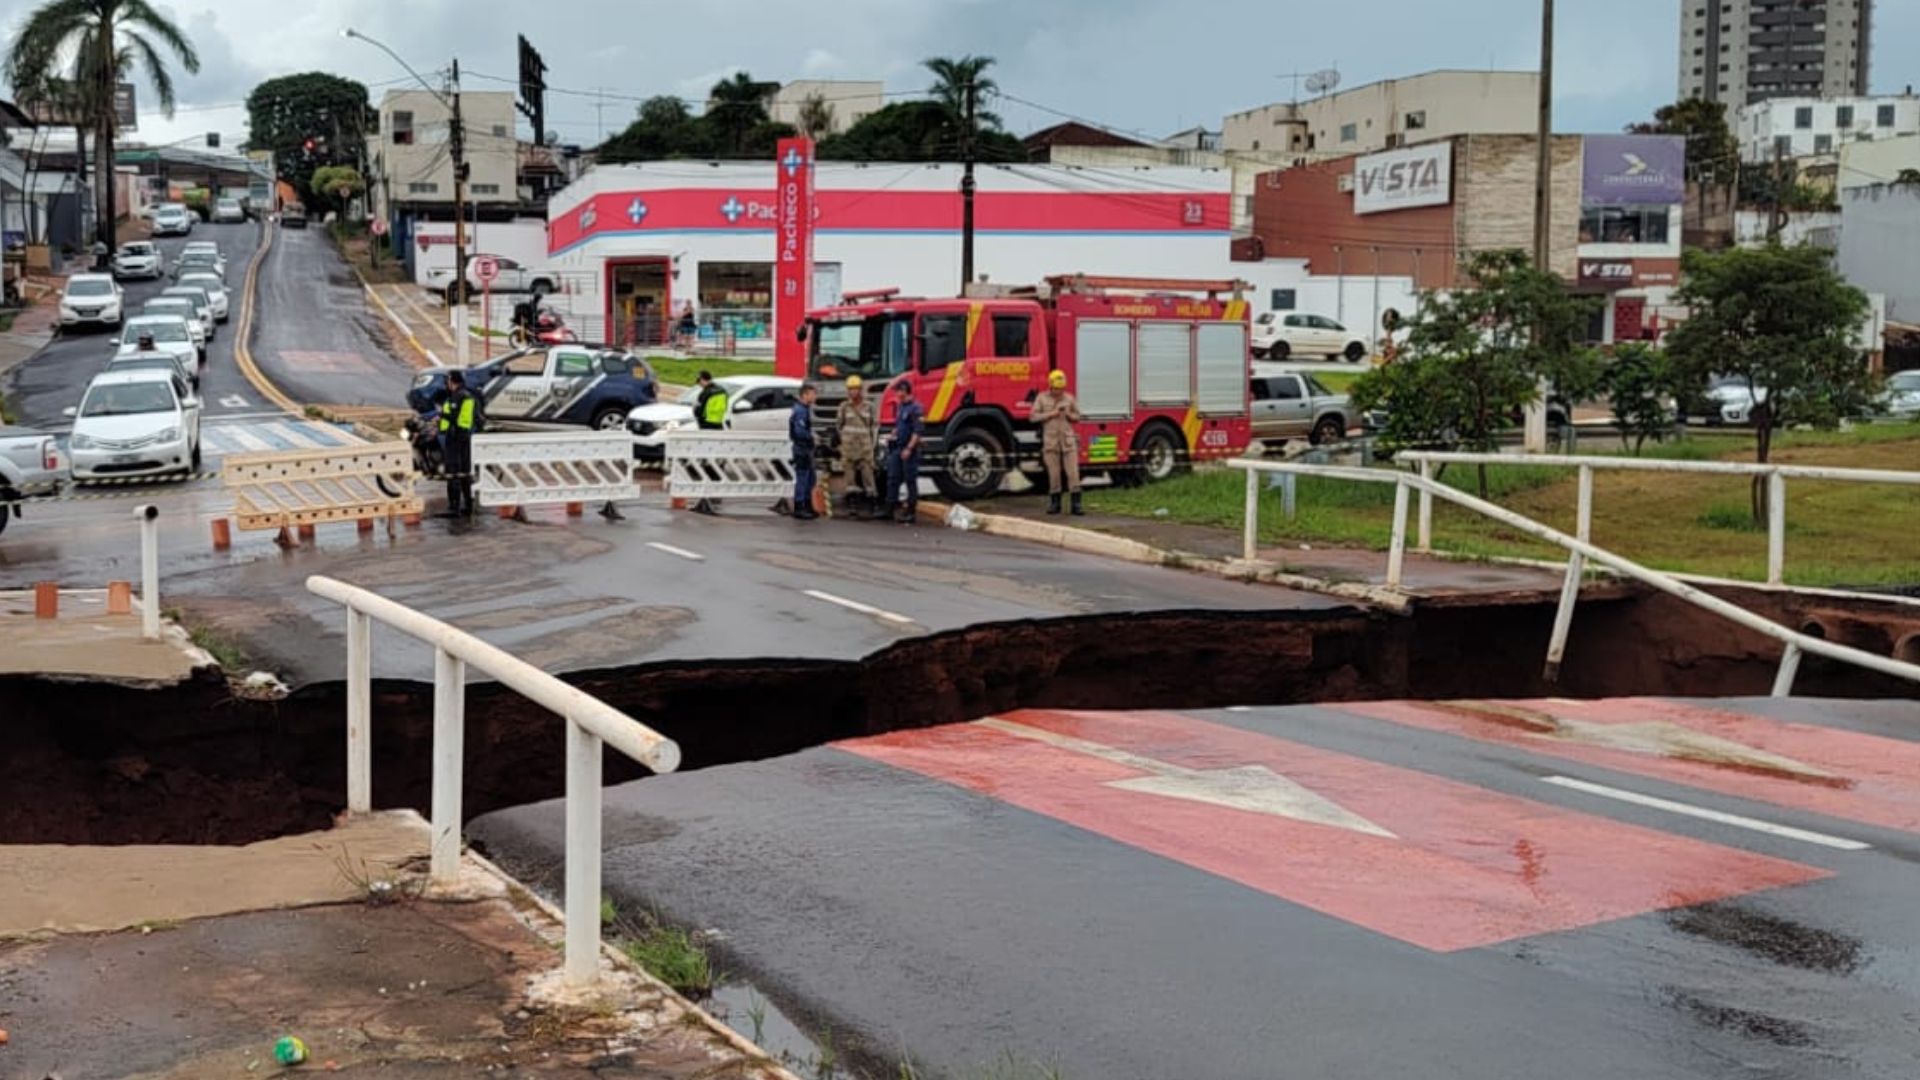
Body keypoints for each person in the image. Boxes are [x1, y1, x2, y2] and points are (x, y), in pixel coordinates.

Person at [1032, 369, 1085, 516]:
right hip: (1051, 442)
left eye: (1061, 388)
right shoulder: (1042, 398)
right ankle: (1055, 504)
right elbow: (1033, 417)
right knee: (1054, 474)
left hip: (1068, 441)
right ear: (1050, 385)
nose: (1059, 391)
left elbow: (1078, 416)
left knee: (1073, 473)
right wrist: (1051, 413)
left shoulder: (1069, 398)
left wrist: (1068, 414)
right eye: (1056, 388)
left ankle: (1076, 504)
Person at [438, 370, 479, 518]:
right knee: (464, 472)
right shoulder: (466, 395)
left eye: (447, 381)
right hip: (463, 437)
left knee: (453, 473)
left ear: (452, 381)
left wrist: (442, 416)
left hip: (455, 438)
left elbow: (455, 417)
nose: (446, 384)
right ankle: (468, 505)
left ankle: (454, 507)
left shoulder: (458, 397)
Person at [883, 379, 924, 523]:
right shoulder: (901, 407)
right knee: (893, 478)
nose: (896, 394)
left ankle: (911, 512)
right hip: (897, 447)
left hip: (909, 450)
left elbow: (917, 431)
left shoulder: (916, 408)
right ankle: (889, 510)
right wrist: (893, 434)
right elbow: (899, 425)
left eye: (898, 391)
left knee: (910, 480)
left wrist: (909, 448)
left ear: (904, 391)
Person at [836, 375, 878, 512]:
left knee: (868, 476)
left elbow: (874, 427)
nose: (853, 392)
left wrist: (874, 445)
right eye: (850, 389)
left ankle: (872, 502)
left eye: (856, 389)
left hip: (865, 448)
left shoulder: (869, 407)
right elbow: (839, 425)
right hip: (848, 448)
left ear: (861, 390)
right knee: (850, 478)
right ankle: (853, 504)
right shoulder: (844, 407)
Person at [690, 371, 726, 515]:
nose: (699, 384)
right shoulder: (722, 391)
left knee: (707, 457)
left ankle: (708, 484)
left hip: (706, 426)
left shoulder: (706, 393)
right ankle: (716, 481)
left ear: (704, 380)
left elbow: (698, 410)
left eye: (699, 382)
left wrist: (699, 415)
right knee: (717, 457)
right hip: (718, 425)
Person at [788, 382, 820, 521]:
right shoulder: (800, 411)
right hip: (802, 448)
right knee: (803, 478)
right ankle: (800, 506)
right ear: (805, 395)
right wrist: (811, 436)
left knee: (810, 478)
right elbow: (799, 431)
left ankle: (807, 505)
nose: (815, 397)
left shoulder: (804, 409)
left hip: (806, 448)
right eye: (813, 394)